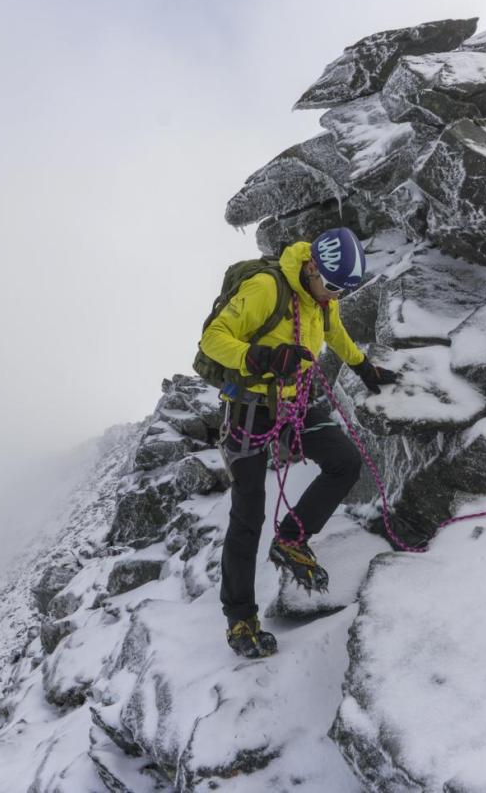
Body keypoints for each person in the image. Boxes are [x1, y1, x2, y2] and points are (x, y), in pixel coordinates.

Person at [199, 228, 398, 659]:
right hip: (250, 407)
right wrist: (260, 357)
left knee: (344, 462)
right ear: (311, 266)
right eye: (332, 286)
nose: (335, 296)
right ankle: (240, 619)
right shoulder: (265, 288)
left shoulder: (323, 296)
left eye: (342, 290)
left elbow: (334, 330)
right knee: (248, 513)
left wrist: (365, 368)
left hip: (295, 401)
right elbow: (212, 339)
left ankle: (291, 539)